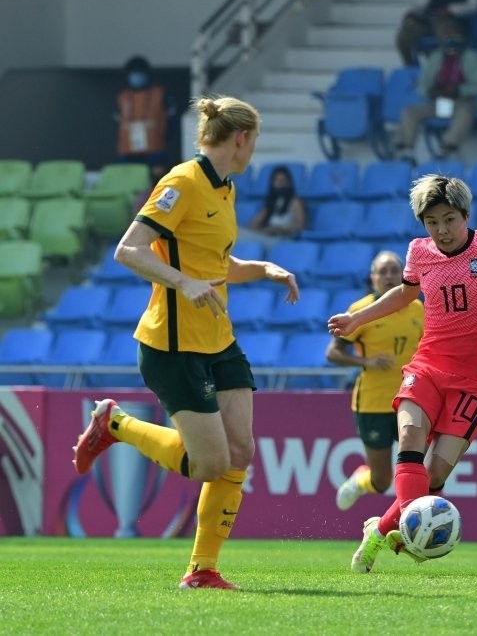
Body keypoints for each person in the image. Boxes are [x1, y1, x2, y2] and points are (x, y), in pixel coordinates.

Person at [72, 95, 301, 590]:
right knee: (210, 464)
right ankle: (115, 422)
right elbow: (128, 249)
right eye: (254, 141)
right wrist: (181, 282)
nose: (253, 150)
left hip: (219, 341)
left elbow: (216, 265)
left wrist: (262, 269)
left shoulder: (225, 190)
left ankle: (202, 571)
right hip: (172, 345)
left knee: (241, 451)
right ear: (241, 138)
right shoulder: (182, 182)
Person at [327, 174, 477, 573]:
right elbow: (405, 293)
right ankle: (408, 533)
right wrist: (357, 319)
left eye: (449, 220)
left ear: (465, 214)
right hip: (428, 364)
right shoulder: (419, 252)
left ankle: (379, 533)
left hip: (476, 380)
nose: (441, 230)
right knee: (408, 436)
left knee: (435, 474)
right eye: (432, 222)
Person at [328, 251, 425, 511]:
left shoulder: (417, 308)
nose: (389, 276)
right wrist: (367, 362)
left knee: (418, 472)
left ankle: (409, 523)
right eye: (383, 272)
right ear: (373, 278)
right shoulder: (361, 311)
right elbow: (333, 353)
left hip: (410, 401)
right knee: (381, 481)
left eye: (395, 270)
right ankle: (361, 480)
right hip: (373, 403)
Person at [393, 26, 477, 161]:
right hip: (440, 103)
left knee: (467, 111)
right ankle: (407, 152)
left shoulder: (471, 57)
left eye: (454, 37)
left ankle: (445, 150)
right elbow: (423, 84)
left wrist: (458, 90)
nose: (450, 40)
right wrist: (431, 91)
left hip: (461, 101)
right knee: (410, 111)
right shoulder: (436, 57)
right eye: (447, 37)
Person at [115, 55, 177, 182]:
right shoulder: (123, 96)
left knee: (155, 184)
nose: (136, 77)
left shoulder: (159, 94)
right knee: (129, 183)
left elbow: (172, 120)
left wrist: (166, 138)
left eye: (139, 73)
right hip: (128, 150)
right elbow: (118, 122)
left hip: (154, 150)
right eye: (133, 73)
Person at [244, 165, 307, 242]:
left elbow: (300, 225)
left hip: (284, 238)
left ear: (289, 182)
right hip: (268, 236)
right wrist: (266, 230)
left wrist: (280, 229)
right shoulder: (271, 202)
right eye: (276, 180)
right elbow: (252, 226)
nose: (280, 183)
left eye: (283, 180)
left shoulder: (295, 201)